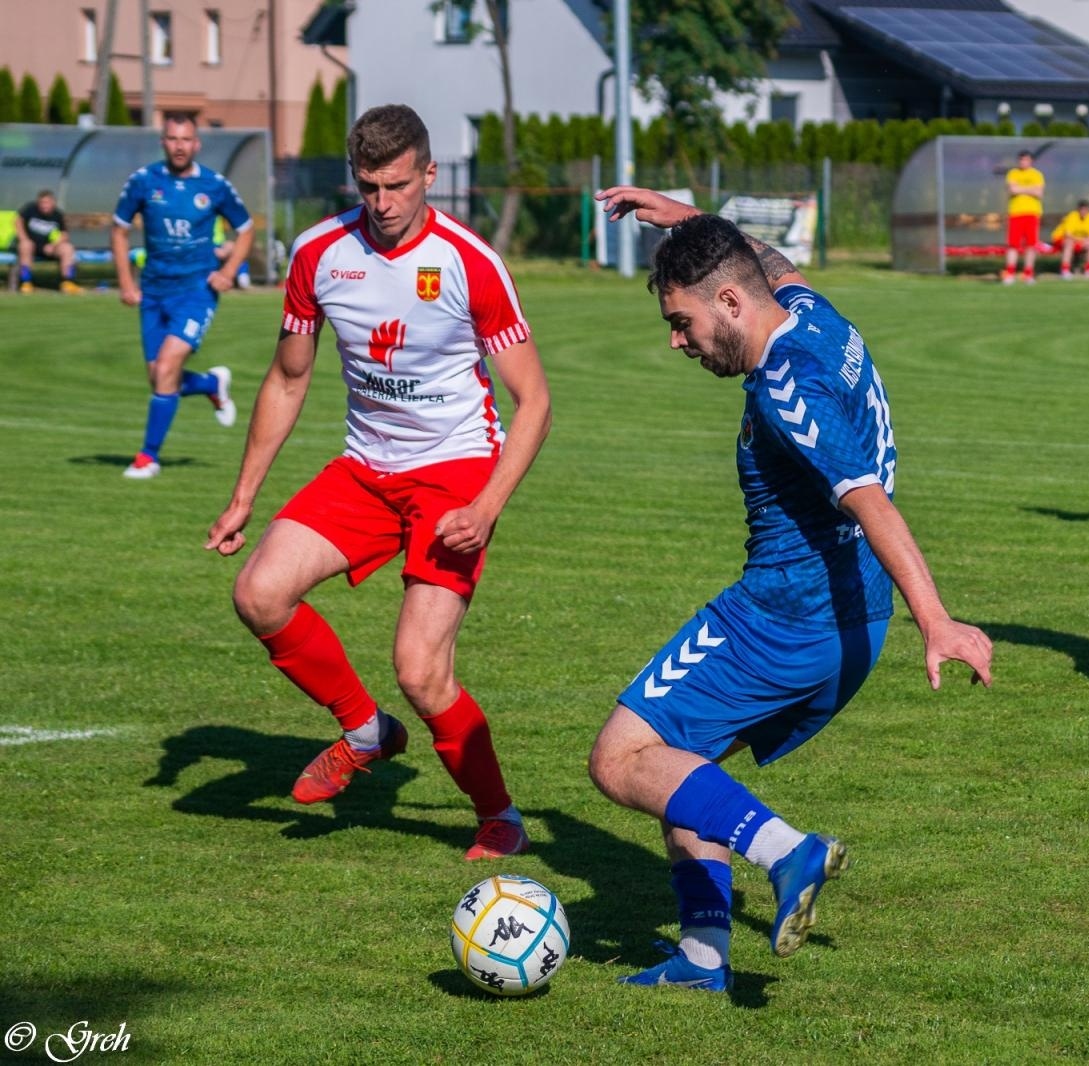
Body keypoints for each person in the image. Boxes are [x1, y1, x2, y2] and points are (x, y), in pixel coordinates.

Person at [587, 188, 993, 992]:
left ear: (730, 303)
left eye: (684, 323)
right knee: (683, 767)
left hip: (783, 616)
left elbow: (869, 497)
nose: (679, 342)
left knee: (620, 756)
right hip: (852, 623)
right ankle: (703, 959)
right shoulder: (814, 316)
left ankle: (786, 851)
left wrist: (938, 620)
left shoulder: (787, 386)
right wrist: (692, 218)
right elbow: (773, 267)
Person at [203, 104, 553, 861]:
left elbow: (535, 401)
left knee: (422, 672)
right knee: (258, 593)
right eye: (368, 187)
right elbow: (288, 381)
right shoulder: (319, 253)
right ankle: (365, 729)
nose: (383, 203)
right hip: (365, 470)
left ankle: (499, 814)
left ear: (429, 174)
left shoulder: (470, 261)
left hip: (455, 476)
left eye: (397, 185)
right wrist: (243, 497)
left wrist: (487, 506)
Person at [112, 113, 253, 479]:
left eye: (186, 139)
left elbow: (246, 229)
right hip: (154, 292)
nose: (180, 146)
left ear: (197, 144)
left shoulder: (214, 185)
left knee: (168, 367)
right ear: (164, 142)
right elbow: (118, 230)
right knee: (158, 375)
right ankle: (210, 383)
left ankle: (148, 457)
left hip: (195, 292)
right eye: (173, 139)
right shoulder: (144, 182)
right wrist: (127, 282)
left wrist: (228, 271)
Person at [15, 190, 82, 293]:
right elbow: (18, 221)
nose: (44, 206)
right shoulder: (30, 209)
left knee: (67, 248)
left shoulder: (57, 214)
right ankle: (26, 282)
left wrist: (54, 244)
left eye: (47, 203)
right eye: (42, 203)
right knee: (25, 245)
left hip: (48, 247)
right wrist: (24, 238)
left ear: (53, 203)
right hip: (31, 246)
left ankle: (68, 283)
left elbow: (64, 234)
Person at [1002, 150, 1045, 284]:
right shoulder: (1012, 173)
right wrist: (1029, 189)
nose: (1023, 162)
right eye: (1021, 159)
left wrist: (1021, 189)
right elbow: (1012, 190)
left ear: (1031, 161)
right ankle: (1010, 273)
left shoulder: (1037, 174)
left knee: (1031, 245)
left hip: (1032, 213)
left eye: (1025, 160)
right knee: (1013, 245)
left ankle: (1028, 274)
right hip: (1016, 213)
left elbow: (1039, 193)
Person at [1050, 199, 1089, 278]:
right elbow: (1068, 235)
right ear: (1078, 209)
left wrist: (1085, 241)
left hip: (1078, 241)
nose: (1084, 211)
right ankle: (1065, 270)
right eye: (1082, 209)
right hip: (1059, 239)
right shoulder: (1072, 216)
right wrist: (1082, 240)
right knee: (1069, 243)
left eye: (1086, 209)